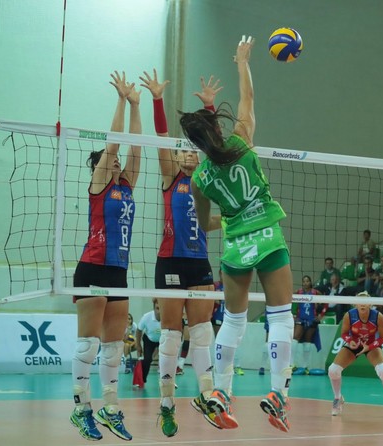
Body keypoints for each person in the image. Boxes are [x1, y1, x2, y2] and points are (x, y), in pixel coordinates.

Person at [182, 35, 294, 432]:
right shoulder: (242, 138)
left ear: (193, 144)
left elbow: (204, 222)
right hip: (266, 234)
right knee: (280, 316)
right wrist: (242, 61)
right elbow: (248, 96)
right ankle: (278, 393)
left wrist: (230, 220)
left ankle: (220, 394)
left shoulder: (198, 178)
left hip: (235, 246)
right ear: (217, 126)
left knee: (232, 320)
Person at [139, 68, 222, 436]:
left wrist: (209, 106)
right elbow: (159, 137)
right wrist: (157, 98)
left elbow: (214, 141)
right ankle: (167, 404)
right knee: (171, 334)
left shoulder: (206, 181)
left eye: (193, 152)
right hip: (170, 261)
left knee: (202, 331)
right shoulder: (172, 177)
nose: (188, 156)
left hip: (199, 263)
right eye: (183, 151)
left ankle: (206, 395)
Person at [70, 71, 141, 442]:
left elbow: (136, 149)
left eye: (114, 164)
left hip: (118, 270)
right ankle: (81, 408)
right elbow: (114, 146)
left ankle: (111, 408)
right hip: (93, 265)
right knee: (89, 344)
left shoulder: (126, 186)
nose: (115, 165)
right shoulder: (99, 185)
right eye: (107, 162)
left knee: (114, 348)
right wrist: (119, 100)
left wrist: (136, 105)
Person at [327, 292, 383, 416]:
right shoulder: (349, 315)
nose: (362, 305)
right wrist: (350, 341)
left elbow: (382, 338)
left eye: (365, 303)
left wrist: (369, 347)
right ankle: (337, 398)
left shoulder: (378, 317)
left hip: (371, 345)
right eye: (360, 303)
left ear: (370, 304)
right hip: (354, 344)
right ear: (355, 304)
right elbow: (344, 334)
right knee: (333, 370)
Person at [291, 276, 327, 375]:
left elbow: (326, 302)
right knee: (295, 338)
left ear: (310, 282)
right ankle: (290, 364)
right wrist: (293, 314)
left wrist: (321, 315)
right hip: (300, 319)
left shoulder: (315, 292)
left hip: (311, 319)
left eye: (307, 281)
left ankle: (305, 366)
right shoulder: (298, 292)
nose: (306, 283)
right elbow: (289, 299)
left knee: (307, 342)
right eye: (304, 281)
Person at [136, 299, 162, 386]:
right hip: (149, 340)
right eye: (157, 308)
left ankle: (168, 381)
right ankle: (142, 379)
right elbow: (139, 330)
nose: (159, 311)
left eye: (161, 308)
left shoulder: (168, 316)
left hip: (162, 340)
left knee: (167, 360)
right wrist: (138, 345)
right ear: (154, 308)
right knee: (147, 359)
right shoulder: (146, 317)